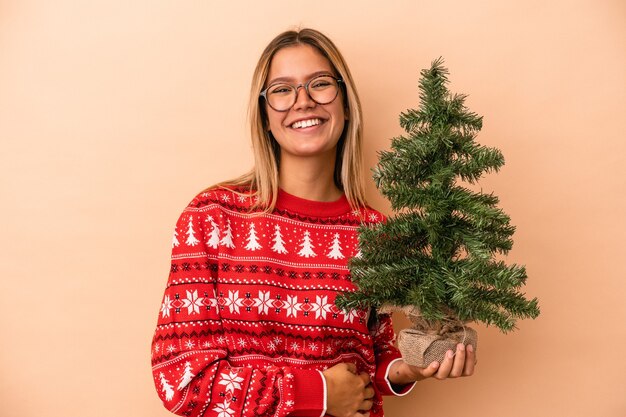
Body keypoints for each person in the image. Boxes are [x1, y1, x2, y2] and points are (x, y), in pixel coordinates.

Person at [150, 28, 475, 417]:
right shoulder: (211, 217)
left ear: (346, 103)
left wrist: (408, 370)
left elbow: (370, 358)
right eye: (282, 90)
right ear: (265, 114)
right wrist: (317, 394)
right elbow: (180, 378)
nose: (303, 102)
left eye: (320, 84)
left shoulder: (376, 233)